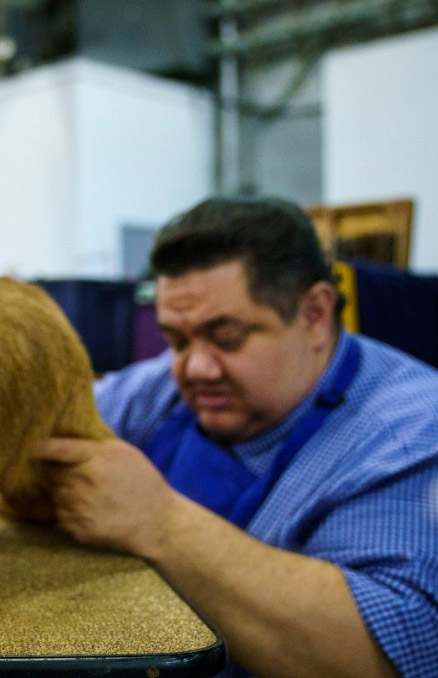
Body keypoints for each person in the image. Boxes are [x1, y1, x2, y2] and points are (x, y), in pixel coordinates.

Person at [35, 197, 438, 678]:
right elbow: (42, 427)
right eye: (177, 340)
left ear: (314, 314)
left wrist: (161, 524)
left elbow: (380, 654)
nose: (195, 368)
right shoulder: (164, 388)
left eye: (227, 337)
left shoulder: (409, 433)